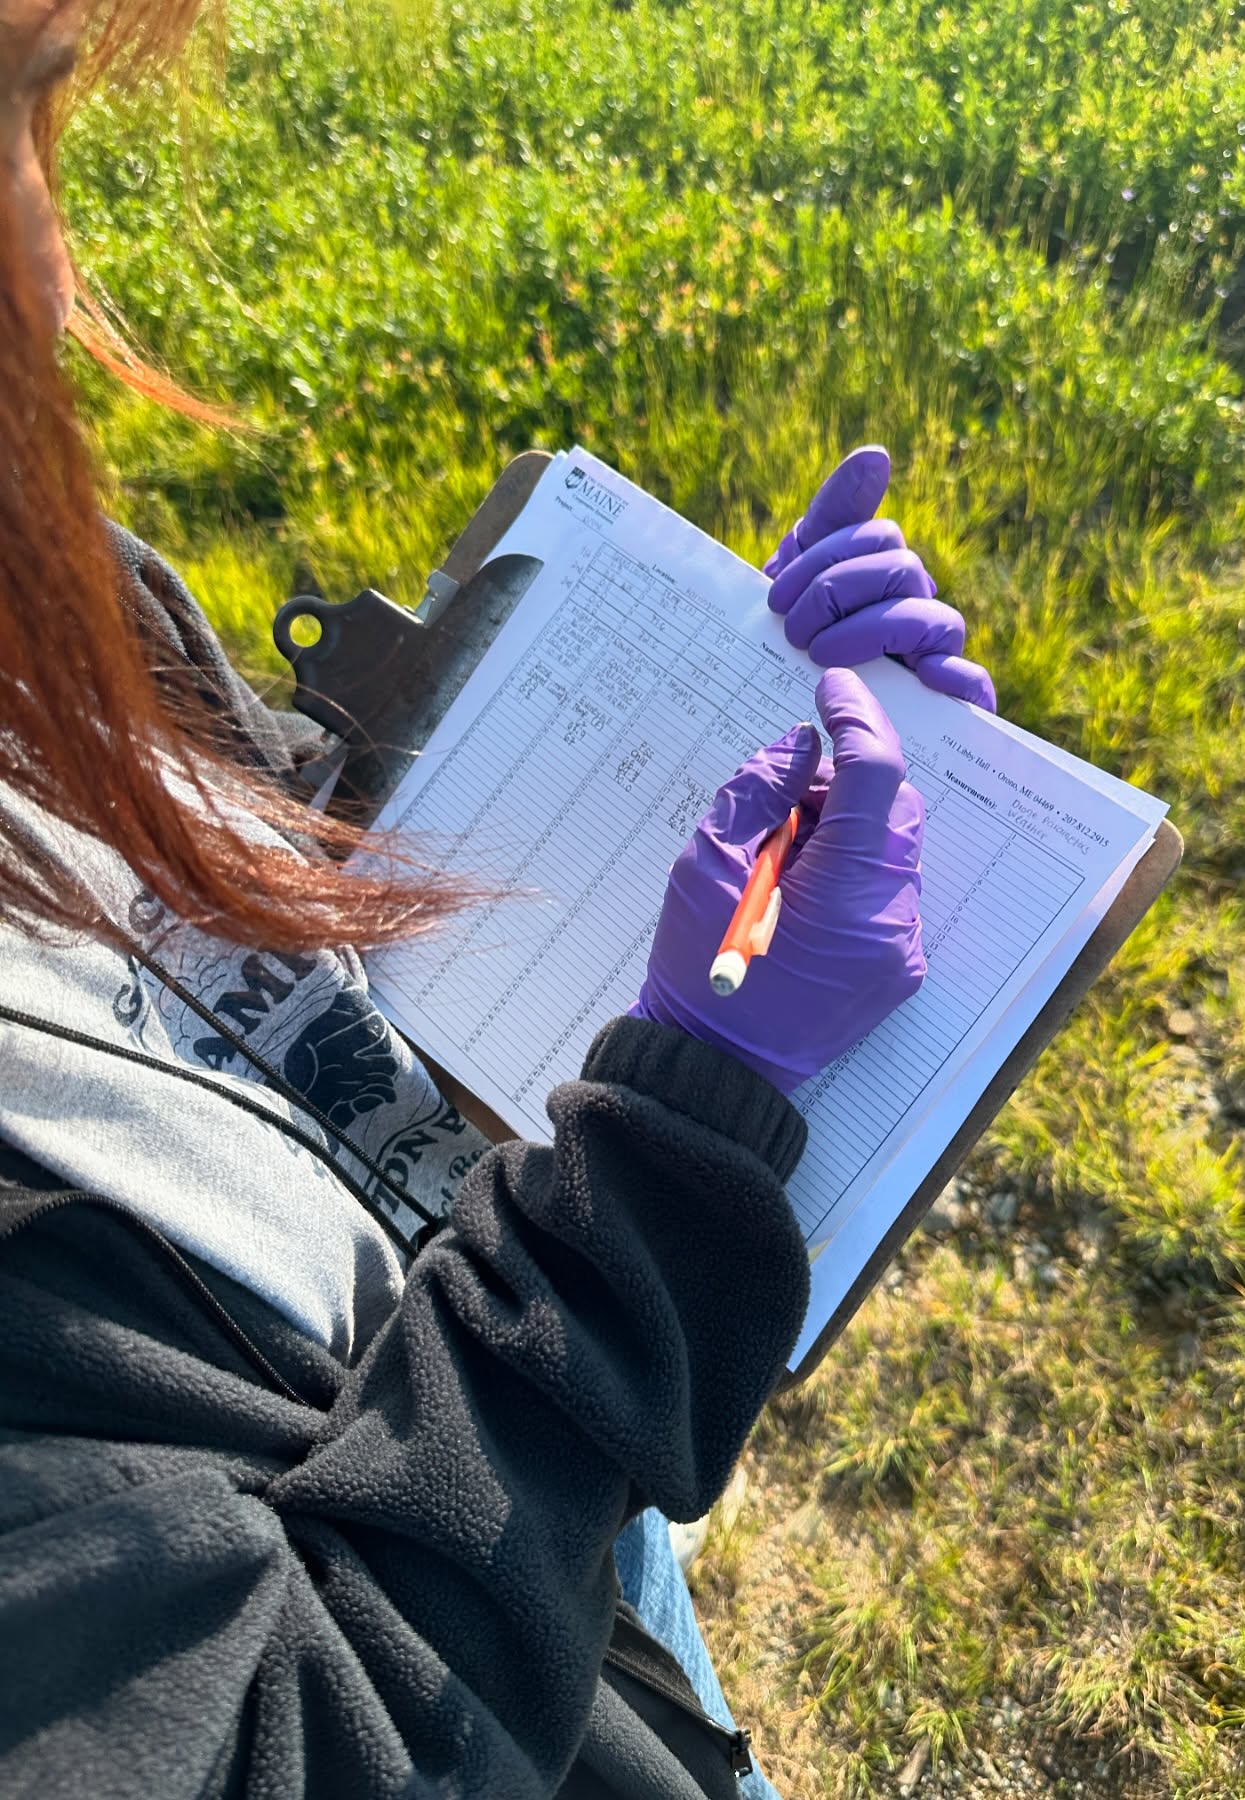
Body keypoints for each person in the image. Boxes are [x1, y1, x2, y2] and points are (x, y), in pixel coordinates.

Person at [0, 1, 996, 1794]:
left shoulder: (35, 598)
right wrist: (680, 1140)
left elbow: (210, 918)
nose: (63, 280)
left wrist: (695, 716)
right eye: (25, 94)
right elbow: (305, 1747)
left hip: (531, 1446)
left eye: (41, 92)